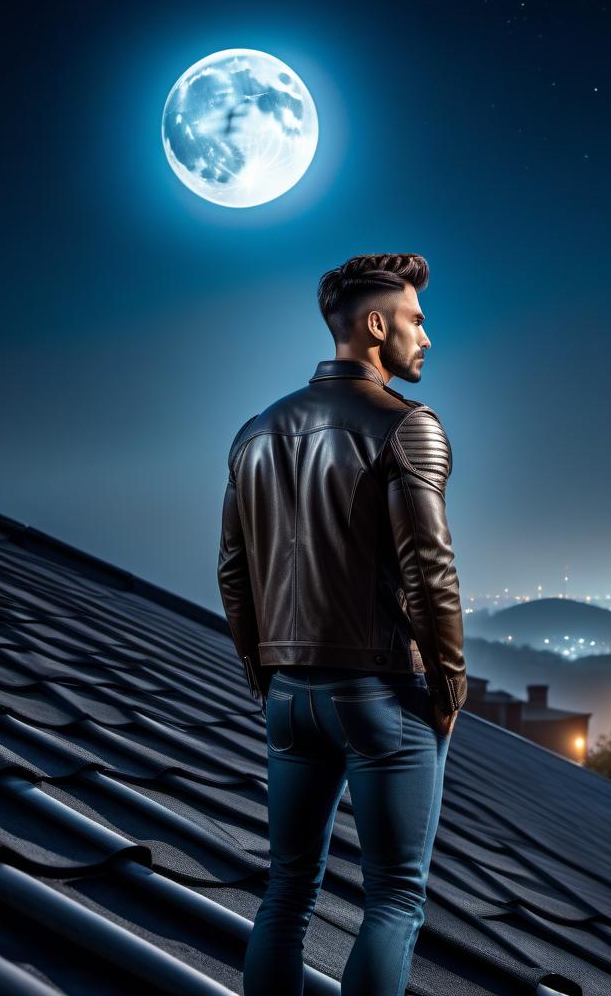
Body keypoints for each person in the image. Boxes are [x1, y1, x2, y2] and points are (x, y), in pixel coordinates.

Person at [216, 252, 467, 995]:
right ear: (376, 323)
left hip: (289, 696)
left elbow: (234, 573)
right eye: (417, 320)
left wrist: (267, 682)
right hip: (384, 693)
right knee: (394, 899)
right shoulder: (409, 428)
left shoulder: (254, 432)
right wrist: (451, 683)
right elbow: (429, 570)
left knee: (286, 893)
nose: (427, 336)